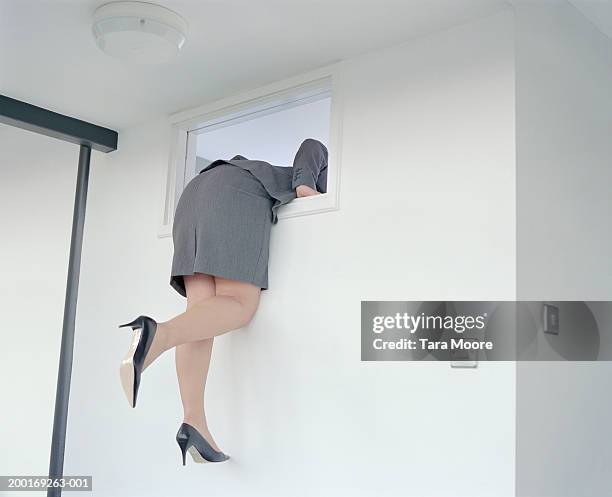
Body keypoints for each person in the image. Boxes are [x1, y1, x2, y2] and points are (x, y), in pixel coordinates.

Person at [118, 138, 328, 465]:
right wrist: (306, 188)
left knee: (200, 319)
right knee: (239, 304)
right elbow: (313, 146)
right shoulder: (309, 170)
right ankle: (157, 334)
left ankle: (194, 422)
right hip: (234, 191)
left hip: (193, 197)